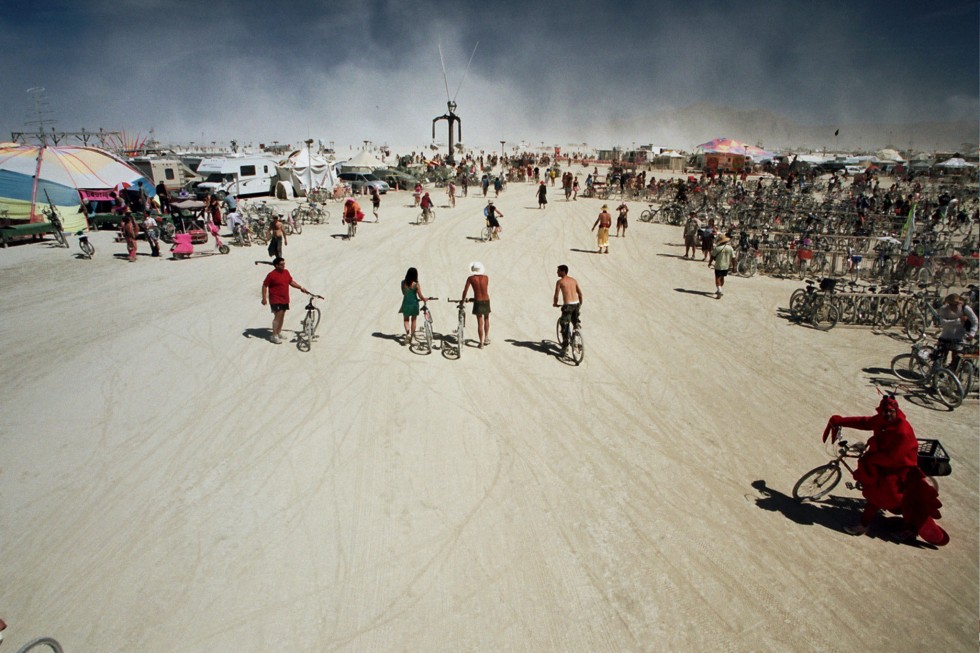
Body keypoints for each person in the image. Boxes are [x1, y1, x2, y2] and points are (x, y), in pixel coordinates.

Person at [823, 396, 948, 545]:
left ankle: (869, 526)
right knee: (876, 496)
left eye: (890, 412)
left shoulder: (903, 432)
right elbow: (866, 422)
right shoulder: (884, 420)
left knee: (879, 497)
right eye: (884, 412)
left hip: (898, 473)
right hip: (884, 467)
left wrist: (869, 458)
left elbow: (891, 458)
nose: (886, 415)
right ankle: (864, 524)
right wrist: (840, 421)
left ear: (896, 410)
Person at [261, 257, 312, 345]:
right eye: (281, 264)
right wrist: (264, 298)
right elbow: (265, 285)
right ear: (276, 265)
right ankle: (274, 335)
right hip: (275, 299)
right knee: (278, 316)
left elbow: (291, 282)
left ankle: (279, 331)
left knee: (282, 315)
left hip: (285, 298)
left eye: (284, 264)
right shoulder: (271, 275)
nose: (283, 265)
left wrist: (300, 287)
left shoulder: (286, 272)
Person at [936, 293, 978, 368]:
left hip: (959, 337)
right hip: (945, 336)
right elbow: (943, 323)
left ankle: (952, 376)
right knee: (940, 359)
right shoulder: (943, 309)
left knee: (956, 361)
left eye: (956, 304)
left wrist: (972, 333)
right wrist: (959, 320)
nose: (954, 306)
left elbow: (975, 321)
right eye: (951, 304)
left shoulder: (965, 308)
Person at [553, 264, 583, 355]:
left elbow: (556, 295)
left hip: (568, 306)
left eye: (558, 271)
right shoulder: (574, 280)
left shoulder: (560, 282)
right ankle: (577, 329)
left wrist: (555, 303)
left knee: (564, 325)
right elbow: (580, 293)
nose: (557, 272)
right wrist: (580, 304)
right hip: (576, 304)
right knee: (575, 321)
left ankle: (565, 346)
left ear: (563, 271)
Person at [461, 261, 491, 348]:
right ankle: (486, 338)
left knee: (479, 322)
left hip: (478, 301)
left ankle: (481, 343)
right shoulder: (486, 277)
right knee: (486, 319)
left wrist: (463, 301)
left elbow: (465, 291)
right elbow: (483, 290)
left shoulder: (471, 279)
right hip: (486, 300)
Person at [398, 267, 429, 345]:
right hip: (414, 303)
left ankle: (408, 333)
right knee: (414, 320)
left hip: (406, 303)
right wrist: (424, 299)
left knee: (406, 320)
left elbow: (403, 293)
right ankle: (412, 336)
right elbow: (420, 295)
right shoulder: (416, 284)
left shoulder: (403, 283)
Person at [710, 234, 734, 298]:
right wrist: (734, 266)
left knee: (717, 278)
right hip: (726, 265)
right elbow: (733, 258)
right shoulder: (730, 248)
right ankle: (719, 289)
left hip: (718, 265)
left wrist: (709, 263)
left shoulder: (717, 248)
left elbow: (712, 256)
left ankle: (719, 290)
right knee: (722, 277)